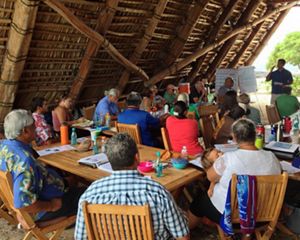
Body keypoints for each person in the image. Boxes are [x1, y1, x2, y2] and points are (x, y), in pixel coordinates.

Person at [75, 133, 189, 240]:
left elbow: (80, 237)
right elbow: (182, 237)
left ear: (109, 160)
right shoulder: (157, 192)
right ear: (137, 158)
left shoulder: (90, 194)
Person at [188, 118, 281, 229]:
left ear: (235, 138)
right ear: (255, 135)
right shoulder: (272, 157)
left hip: (232, 218)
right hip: (264, 216)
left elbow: (210, 177)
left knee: (198, 203)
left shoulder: (227, 159)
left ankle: (184, 232)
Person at [0, 110, 84, 223]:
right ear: (25, 131)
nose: (36, 129)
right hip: (43, 209)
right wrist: (51, 206)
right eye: (33, 127)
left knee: (72, 181)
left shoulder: (4, 147)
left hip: (45, 190)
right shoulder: (25, 162)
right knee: (89, 194)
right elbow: (23, 203)